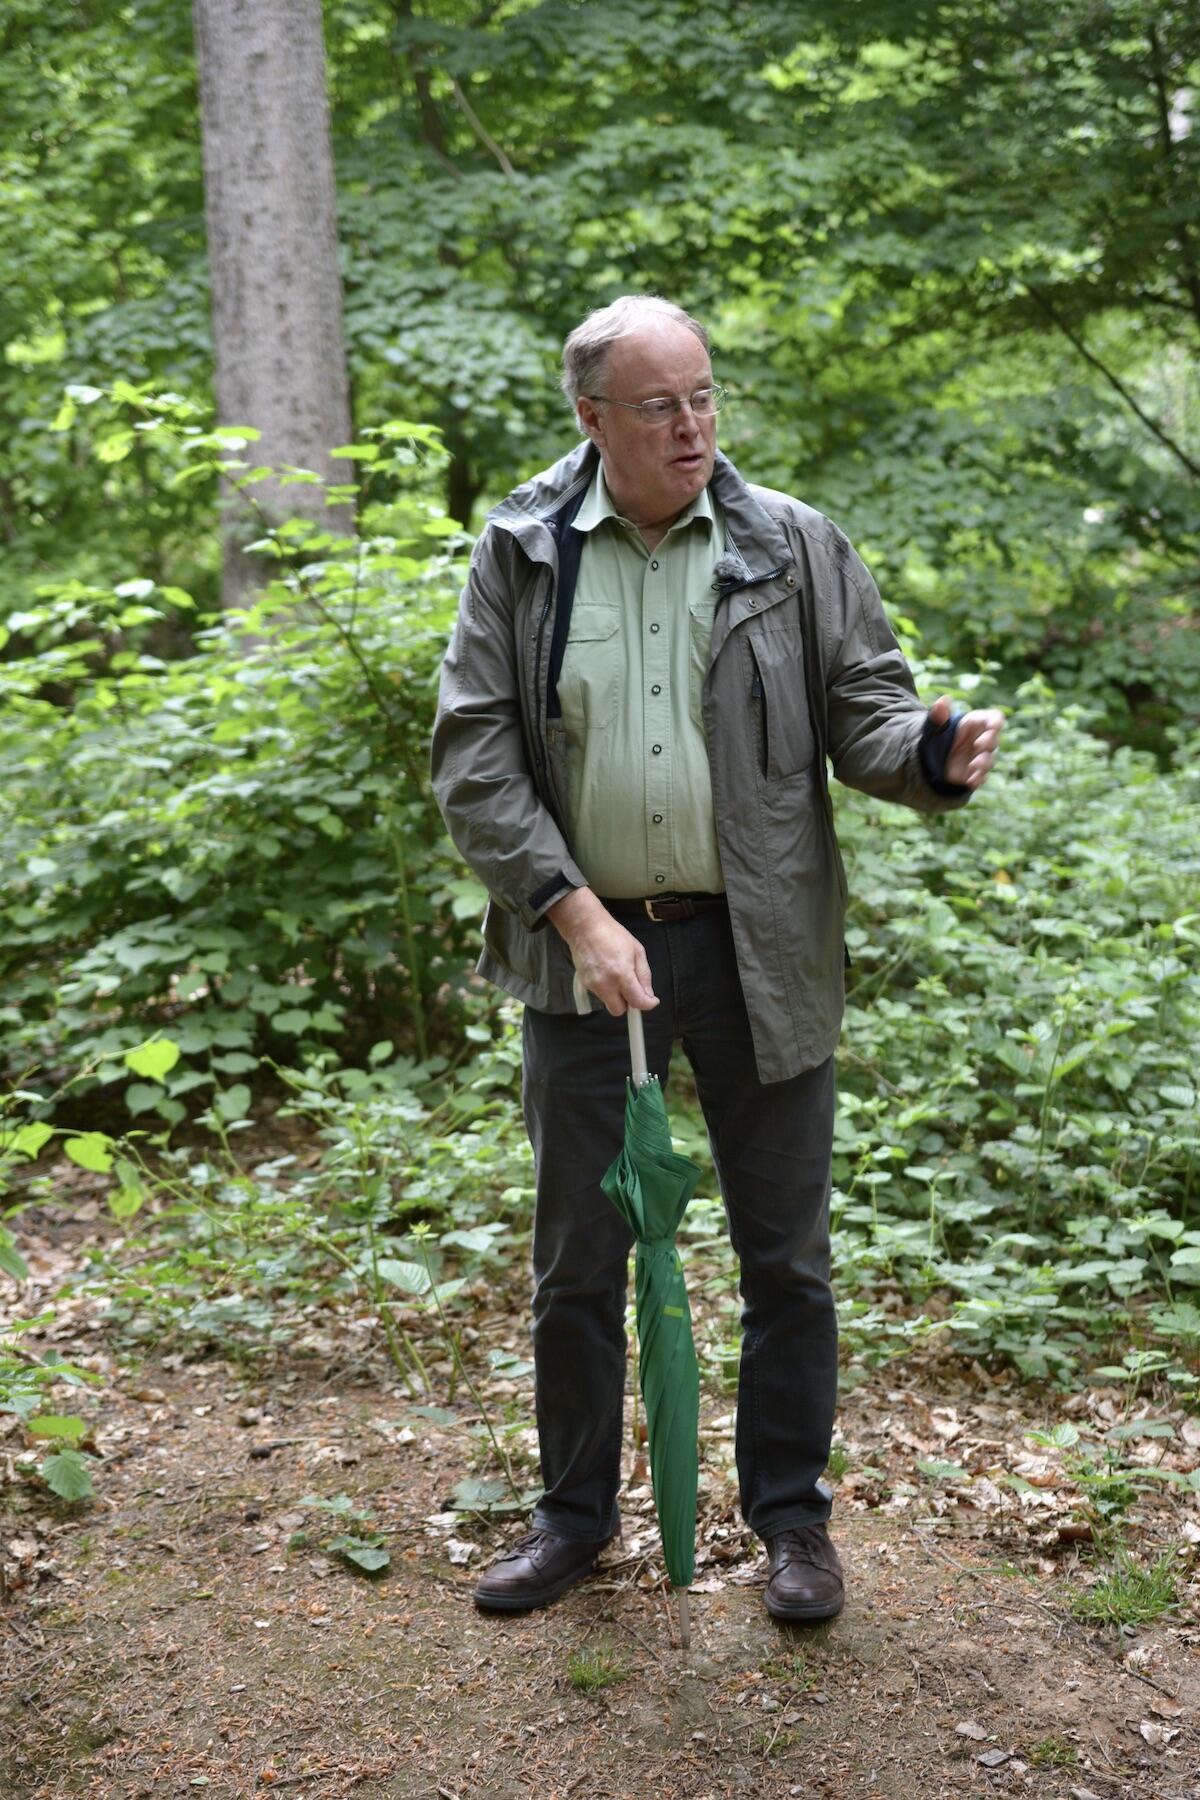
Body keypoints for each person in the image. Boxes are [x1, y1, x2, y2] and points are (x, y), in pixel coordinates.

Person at [430, 294, 1003, 1624]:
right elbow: (474, 754)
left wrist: (928, 752)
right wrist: (575, 914)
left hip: (762, 949)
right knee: (580, 1260)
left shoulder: (789, 542)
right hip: (584, 956)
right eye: (658, 406)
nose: (691, 426)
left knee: (785, 1260)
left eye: (703, 397)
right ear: (592, 418)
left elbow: (864, 705)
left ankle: (791, 1523)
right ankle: (572, 1519)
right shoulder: (522, 550)